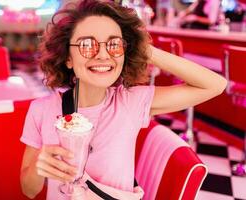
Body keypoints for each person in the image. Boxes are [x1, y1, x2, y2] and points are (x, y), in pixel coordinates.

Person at [20, 0, 227, 199]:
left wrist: (144, 49)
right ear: (68, 58)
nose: (102, 55)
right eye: (87, 44)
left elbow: (215, 85)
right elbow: (29, 190)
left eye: (114, 45)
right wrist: (40, 164)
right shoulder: (41, 110)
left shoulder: (131, 102)